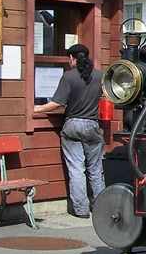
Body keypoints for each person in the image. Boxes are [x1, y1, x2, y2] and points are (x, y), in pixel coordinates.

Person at [33, 43, 105, 218]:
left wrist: (38, 109)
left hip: (72, 124)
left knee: (76, 169)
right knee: (96, 169)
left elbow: (58, 103)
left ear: (71, 58)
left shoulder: (69, 77)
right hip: (92, 125)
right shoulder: (100, 76)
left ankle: (80, 210)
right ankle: (101, 208)